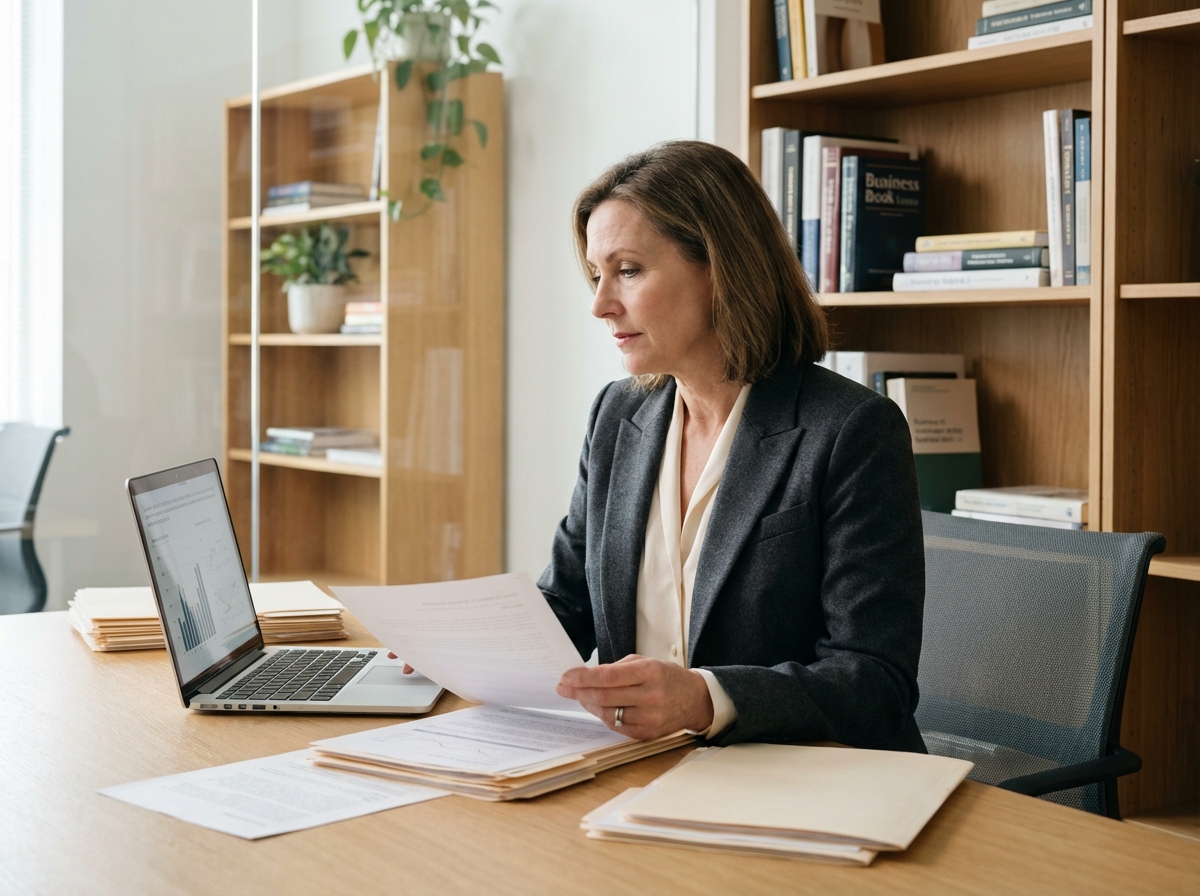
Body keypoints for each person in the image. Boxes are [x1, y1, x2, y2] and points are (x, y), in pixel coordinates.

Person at [543, 140, 927, 752]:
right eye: (596, 275)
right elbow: (565, 603)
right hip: (641, 771)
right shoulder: (618, 416)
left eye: (629, 270)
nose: (600, 305)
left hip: (801, 785)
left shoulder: (853, 431)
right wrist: (459, 646)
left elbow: (873, 682)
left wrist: (705, 698)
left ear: (719, 266)